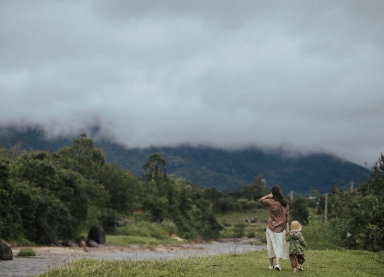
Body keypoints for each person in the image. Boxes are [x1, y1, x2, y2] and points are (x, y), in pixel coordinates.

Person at [259, 184, 290, 271]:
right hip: (280, 228)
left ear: (272, 193)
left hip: (271, 227)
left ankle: (271, 265)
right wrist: (287, 228)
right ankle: (278, 263)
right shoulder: (285, 203)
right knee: (279, 245)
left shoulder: (270, 202)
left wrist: (268, 196)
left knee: (270, 245)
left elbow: (261, 200)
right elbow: (287, 218)